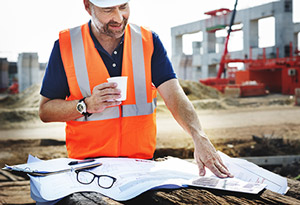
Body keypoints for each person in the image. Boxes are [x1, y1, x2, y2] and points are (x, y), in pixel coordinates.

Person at [39, 0, 232, 178]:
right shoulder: (67, 46)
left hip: (140, 168)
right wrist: (86, 105)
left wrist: (199, 136)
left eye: (123, 6)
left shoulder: (148, 41)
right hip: (87, 169)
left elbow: (174, 95)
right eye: (108, 10)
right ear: (88, 6)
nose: (118, 17)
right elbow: (45, 111)